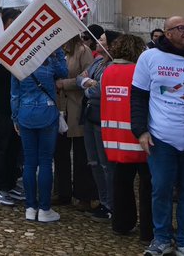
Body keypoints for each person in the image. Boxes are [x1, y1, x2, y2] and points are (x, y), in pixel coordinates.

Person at [132, 17, 184, 256]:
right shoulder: (149, 58)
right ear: (167, 33)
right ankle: (161, 239)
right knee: (161, 189)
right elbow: (138, 97)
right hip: (161, 138)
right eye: (181, 28)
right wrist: (140, 130)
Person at [100, 33, 153, 244]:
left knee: (121, 185)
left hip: (114, 140)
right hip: (140, 138)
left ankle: (122, 223)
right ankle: (148, 231)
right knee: (147, 188)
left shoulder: (107, 72)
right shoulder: (139, 71)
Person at [8, 43, 68, 222]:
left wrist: (15, 117)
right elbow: (64, 73)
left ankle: (30, 207)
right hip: (47, 113)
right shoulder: (49, 61)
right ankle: (44, 209)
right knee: (45, 161)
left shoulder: (18, 63)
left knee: (29, 162)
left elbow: (14, 94)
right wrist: (56, 49)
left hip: (25, 114)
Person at [79, 26, 117, 221]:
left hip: (103, 118)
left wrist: (89, 86)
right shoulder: (97, 62)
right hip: (89, 115)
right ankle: (103, 201)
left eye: (101, 39)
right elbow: (80, 78)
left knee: (105, 164)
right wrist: (88, 83)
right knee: (93, 162)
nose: (97, 41)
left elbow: (101, 91)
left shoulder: (112, 66)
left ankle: (110, 204)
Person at [0, 8, 23, 207]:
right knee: (1, 144)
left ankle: (10, 182)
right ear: (8, 22)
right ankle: (0, 185)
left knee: (14, 145)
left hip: (14, 103)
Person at [55, 34, 96, 210]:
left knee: (81, 154)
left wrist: (65, 83)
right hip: (59, 108)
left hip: (77, 107)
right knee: (60, 151)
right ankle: (62, 191)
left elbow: (87, 78)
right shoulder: (56, 51)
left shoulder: (83, 51)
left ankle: (84, 195)